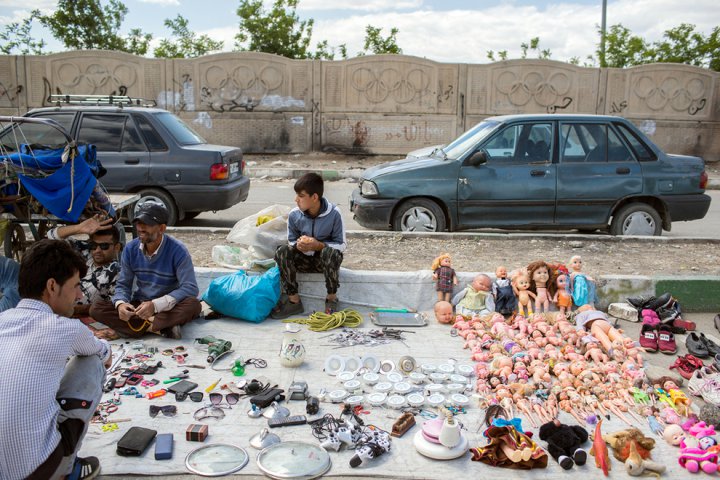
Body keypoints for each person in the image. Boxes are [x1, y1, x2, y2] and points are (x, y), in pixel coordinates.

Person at [0, 239, 111, 480]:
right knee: (91, 362)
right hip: (35, 472)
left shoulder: (3, 320)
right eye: (75, 286)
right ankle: (67, 468)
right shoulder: (66, 328)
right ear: (52, 286)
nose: (79, 294)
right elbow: (104, 353)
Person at [89, 202, 201, 339]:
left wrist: (155, 305)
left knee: (193, 305)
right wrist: (121, 304)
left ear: (161, 228)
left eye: (147, 223)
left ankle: (133, 329)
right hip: (139, 305)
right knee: (96, 308)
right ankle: (157, 327)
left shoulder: (178, 250)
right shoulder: (131, 249)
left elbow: (190, 288)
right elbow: (123, 284)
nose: (140, 228)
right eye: (138, 223)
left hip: (168, 306)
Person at [271, 173, 346, 319]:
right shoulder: (294, 215)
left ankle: (331, 300)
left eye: (301, 195)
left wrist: (318, 245)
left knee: (330, 252)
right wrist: (300, 245)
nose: (296, 199)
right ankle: (294, 301)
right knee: (282, 251)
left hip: (324, 263)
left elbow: (341, 245)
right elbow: (291, 241)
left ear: (315, 197)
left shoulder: (335, 213)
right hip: (302, 261)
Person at [47, 213, 122, 316]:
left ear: (117, 247)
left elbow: (113, 307)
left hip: (83, 319)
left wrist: (76, 309)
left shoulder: (116, 272)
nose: (97, 250)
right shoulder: (84, 252)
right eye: (94, 245)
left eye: (104, 246)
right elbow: (51, 236)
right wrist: (78, 228)